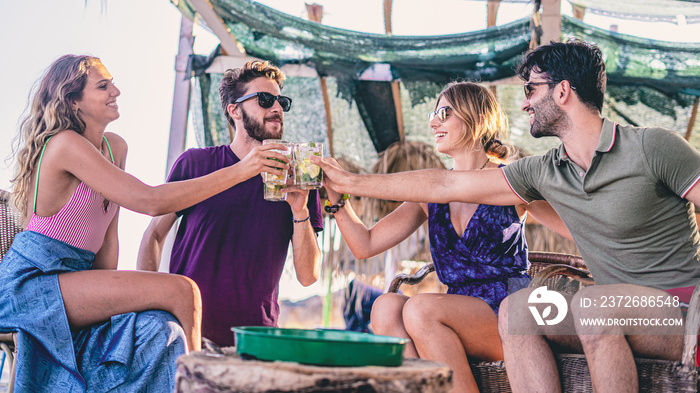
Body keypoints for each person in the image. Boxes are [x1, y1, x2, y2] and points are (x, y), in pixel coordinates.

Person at [313, 39, 700, 393]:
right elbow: (444, 188)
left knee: (588, 304)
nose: (525, 102)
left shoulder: (654, 147)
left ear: (562, 91)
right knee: (518, 311)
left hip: (677, 315)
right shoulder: (543, 171)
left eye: (531, 90)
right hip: (607, 306)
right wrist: (346, 185)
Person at [0, 54, 294, 392]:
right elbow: (150, 202)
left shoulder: (115, 147)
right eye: (103, 85)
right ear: (72, 100)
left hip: (77, 278)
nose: (117, 91)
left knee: (158, 326)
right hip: (33, 282)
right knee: (181, 290)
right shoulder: (65, 145)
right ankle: (198, 385)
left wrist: (113, 302)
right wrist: (244, 170)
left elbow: (108, 241)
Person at [324, 81, 569, 393]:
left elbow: (574, 228)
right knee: (385, 307)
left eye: (444, 112)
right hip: (452, 313)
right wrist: (337, 202)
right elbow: (365, 245)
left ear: (478, 119)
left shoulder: (509, 180)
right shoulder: (429, 194)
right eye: (433, 113)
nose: (433, 121)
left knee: (420, 309)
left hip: (508, 315)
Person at [137, 60, 323, 347]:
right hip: (184, 335)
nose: (276, 108)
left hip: (254, 342)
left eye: (280, 101)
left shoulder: (298, 175)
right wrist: (147, 312)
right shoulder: (196, 163)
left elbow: (309, 276)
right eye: (264, 100)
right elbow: (154, 234)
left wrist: (300, 211)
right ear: (234, 110)